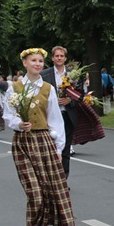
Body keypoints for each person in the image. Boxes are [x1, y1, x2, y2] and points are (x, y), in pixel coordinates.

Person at [3, 48, 74, 226]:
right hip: (24, 142)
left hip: (44, 141)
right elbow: (8, 115)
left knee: (45, 191)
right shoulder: (14, 87)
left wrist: (59, 147)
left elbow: (55, 119)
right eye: (33, 60)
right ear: (25, 63)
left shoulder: (48, 88)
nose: (38, 64)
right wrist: (18, 123)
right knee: (34, 191)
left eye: (41, 61)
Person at [40, 46, 78, 177]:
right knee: (50, 148)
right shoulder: (45, 74)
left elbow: (80, 95)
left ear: (65, 58)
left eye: (62, 56)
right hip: (50, 116)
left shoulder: (73, 74)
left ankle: (63, 179)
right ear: (52, 58)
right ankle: (50, 177)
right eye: (57, 56)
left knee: (65, 148)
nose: (59, 58)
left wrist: (69, 100)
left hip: (67, 115)